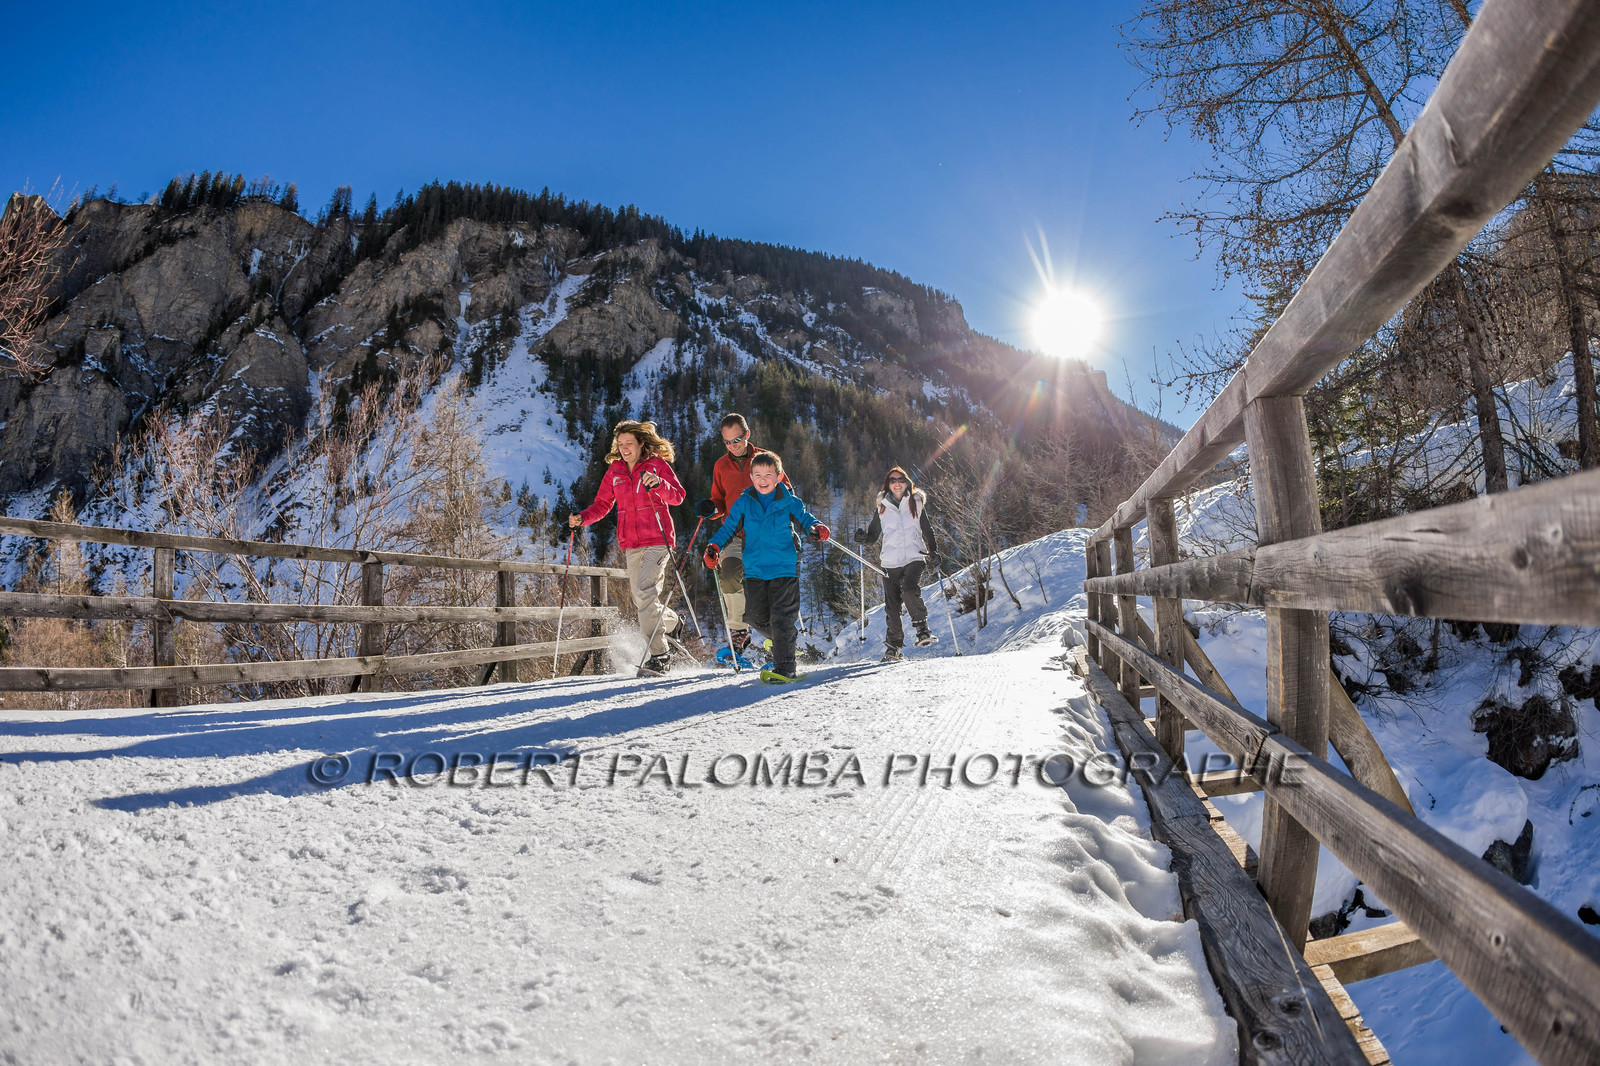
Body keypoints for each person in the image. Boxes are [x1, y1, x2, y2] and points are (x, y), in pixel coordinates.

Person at [570, 420, 686, 675]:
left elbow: (678, 496)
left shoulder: (657, 465)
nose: (624, 448)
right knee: (642, 600)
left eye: (629, 444)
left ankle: (661, 655)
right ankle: (673, 621)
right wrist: (583, 518)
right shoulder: (615, 471)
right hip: (631, 544)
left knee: (645, 595)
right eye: (620, 444)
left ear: (641, 444)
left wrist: (658, 484)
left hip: (658, 540)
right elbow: (602, 504)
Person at [703, 451, 827, 683]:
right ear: (750, 477)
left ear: (779, 477)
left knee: (781, 617)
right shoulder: (744, 502)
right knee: (755, 617)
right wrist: (714, 547)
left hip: (784, 567)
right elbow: (729, 528)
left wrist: (816, 528)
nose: (763, 479)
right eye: (757, 474)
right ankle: (786, 637)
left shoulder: (788, 501)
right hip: (755, 570)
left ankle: (785, 668)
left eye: (768, 474)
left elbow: (805, 518)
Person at [695, 413, 791, 656]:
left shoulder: (764, 459)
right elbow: (719, 502)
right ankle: (740, 632)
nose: (733, 446)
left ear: (747, 434)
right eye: (727, 442)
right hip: (735, 534)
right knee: (728, 575)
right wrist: (712, 508)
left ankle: (773, 636)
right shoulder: (721, 465)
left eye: (737, 439)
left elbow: (786, 490)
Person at [853, 466, 939, 661]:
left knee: (909, 590)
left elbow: (927, 529)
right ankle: (894, 647)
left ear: (907, 482)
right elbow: (873, 536)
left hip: (914, 556)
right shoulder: (882, 506)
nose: (897, 483)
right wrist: (862, 538)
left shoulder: (916, 502)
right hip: (890, 561)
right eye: (892, 480)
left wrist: (933, 551)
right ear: (888, 485)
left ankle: (922, 629)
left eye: (900, 479)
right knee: (892, 606)